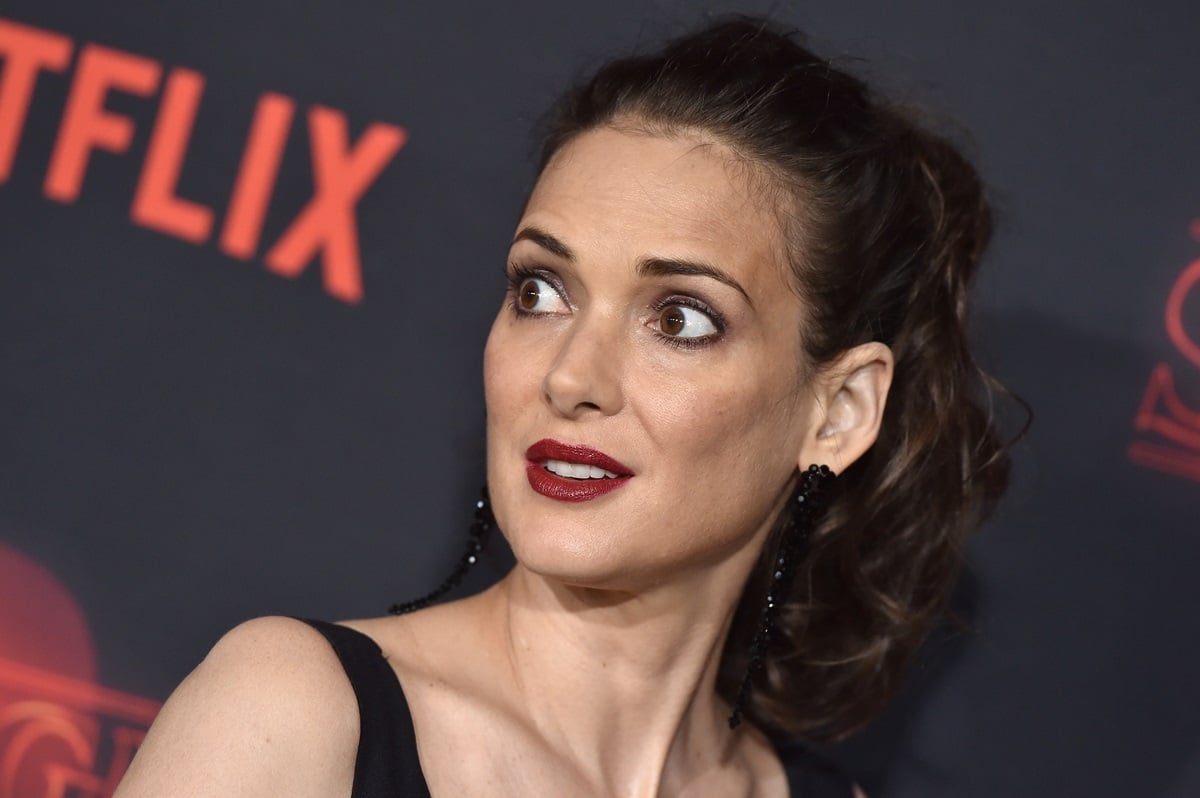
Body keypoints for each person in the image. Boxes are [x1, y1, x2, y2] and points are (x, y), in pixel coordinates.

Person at [114, 14, 1009, 798]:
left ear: (840, 411)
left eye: (679, 318)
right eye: (541, 291)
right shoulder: (297, 713)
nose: (571, 375)